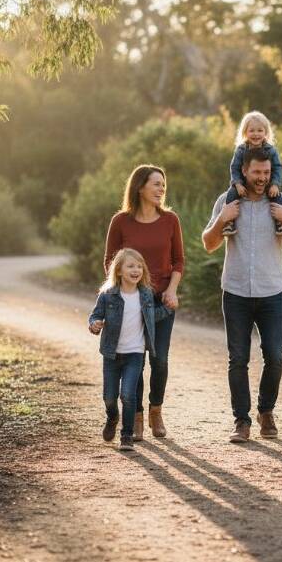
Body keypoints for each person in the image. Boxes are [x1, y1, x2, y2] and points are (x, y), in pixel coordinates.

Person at [202, 146, 282, 443]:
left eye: (266, 172)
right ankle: (241, 420)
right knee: (238, 358)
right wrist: (223, 219)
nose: (261, 178)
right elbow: (209, 243)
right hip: (235, 291)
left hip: (271, 291)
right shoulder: (227, 201)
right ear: (244, 171)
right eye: (256, 172)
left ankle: (266, 410)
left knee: (275, 355)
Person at [104, 164, 185, 440]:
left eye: (163, 184)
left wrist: (172, 290)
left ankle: (156, 411)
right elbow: (110, 262)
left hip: (162, 300)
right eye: (156, 184)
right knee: (135, 360)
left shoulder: (170, 220)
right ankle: (135, 416)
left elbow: (179, 261)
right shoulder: (121, 222)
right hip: (131, 301)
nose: (161, 189)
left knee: (159, 359)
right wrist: (124, 291)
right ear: (140, 187)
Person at [89, 248, 174, 451]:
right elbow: (95, 315)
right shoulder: (107, 296)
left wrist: (169, 307)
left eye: (139, 266)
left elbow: (153, 316)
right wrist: (94, 324)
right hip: (111, 355)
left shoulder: (145, 295)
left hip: (135, 354)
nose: (136, 270)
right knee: (109, 397)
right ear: (118, 271)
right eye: (130, 266)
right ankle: (112, 417)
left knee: (128, 395)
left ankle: (126, 435)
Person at [222, 110, 282, 237]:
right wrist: (238, 184)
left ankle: (280, 223)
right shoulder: (241, 150)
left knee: (277, 196)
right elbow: (234, 167)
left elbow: (278, 167)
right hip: (243, 183)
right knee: (231, 193)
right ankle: (229, 223)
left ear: (266, 133)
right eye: (252, 131)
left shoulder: (271, 150)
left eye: (260, 130)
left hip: (266, 183)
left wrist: (275, 184)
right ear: (245, 132)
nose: (256, 134)